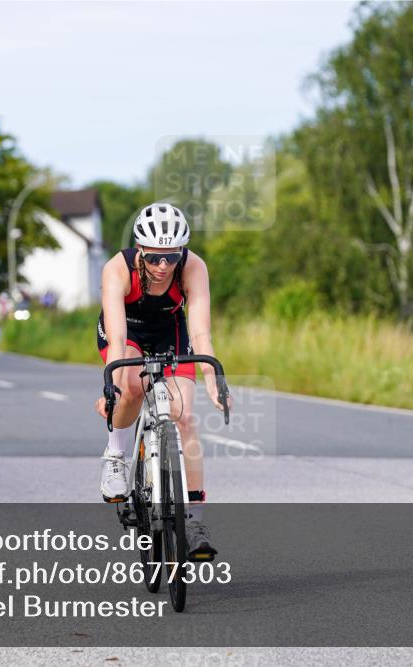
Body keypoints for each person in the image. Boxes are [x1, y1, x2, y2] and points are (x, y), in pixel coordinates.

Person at [95, 203, 231, 559]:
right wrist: (111, 387)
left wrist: (213, 382)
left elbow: (200, 334)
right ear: (140, 248)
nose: (162, 266)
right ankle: (116, 454)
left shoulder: (193, 266)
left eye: (171, 257)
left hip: (170, 330)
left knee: (184, 417)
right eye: (154, 257)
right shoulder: (117, 269)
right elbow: (116, 339)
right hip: (126, 330)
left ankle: (195, 522)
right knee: (131, 387)